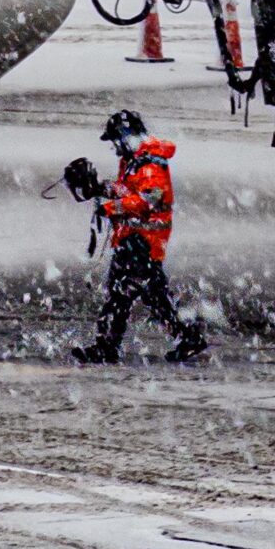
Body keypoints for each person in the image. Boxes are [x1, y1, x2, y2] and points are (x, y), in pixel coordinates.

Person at [73, 109, 206, 364]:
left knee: (124, 294)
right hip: (132, 239)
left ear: (125, 136)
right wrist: (103, 187)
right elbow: (129, 191)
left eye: (114, 141)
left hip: (143, 241)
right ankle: (185, 337)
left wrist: (110, 208)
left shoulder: (150, 162)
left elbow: (148, 200)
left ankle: (108, 346)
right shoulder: (135, 160)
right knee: (144, 294)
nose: (113, 148)